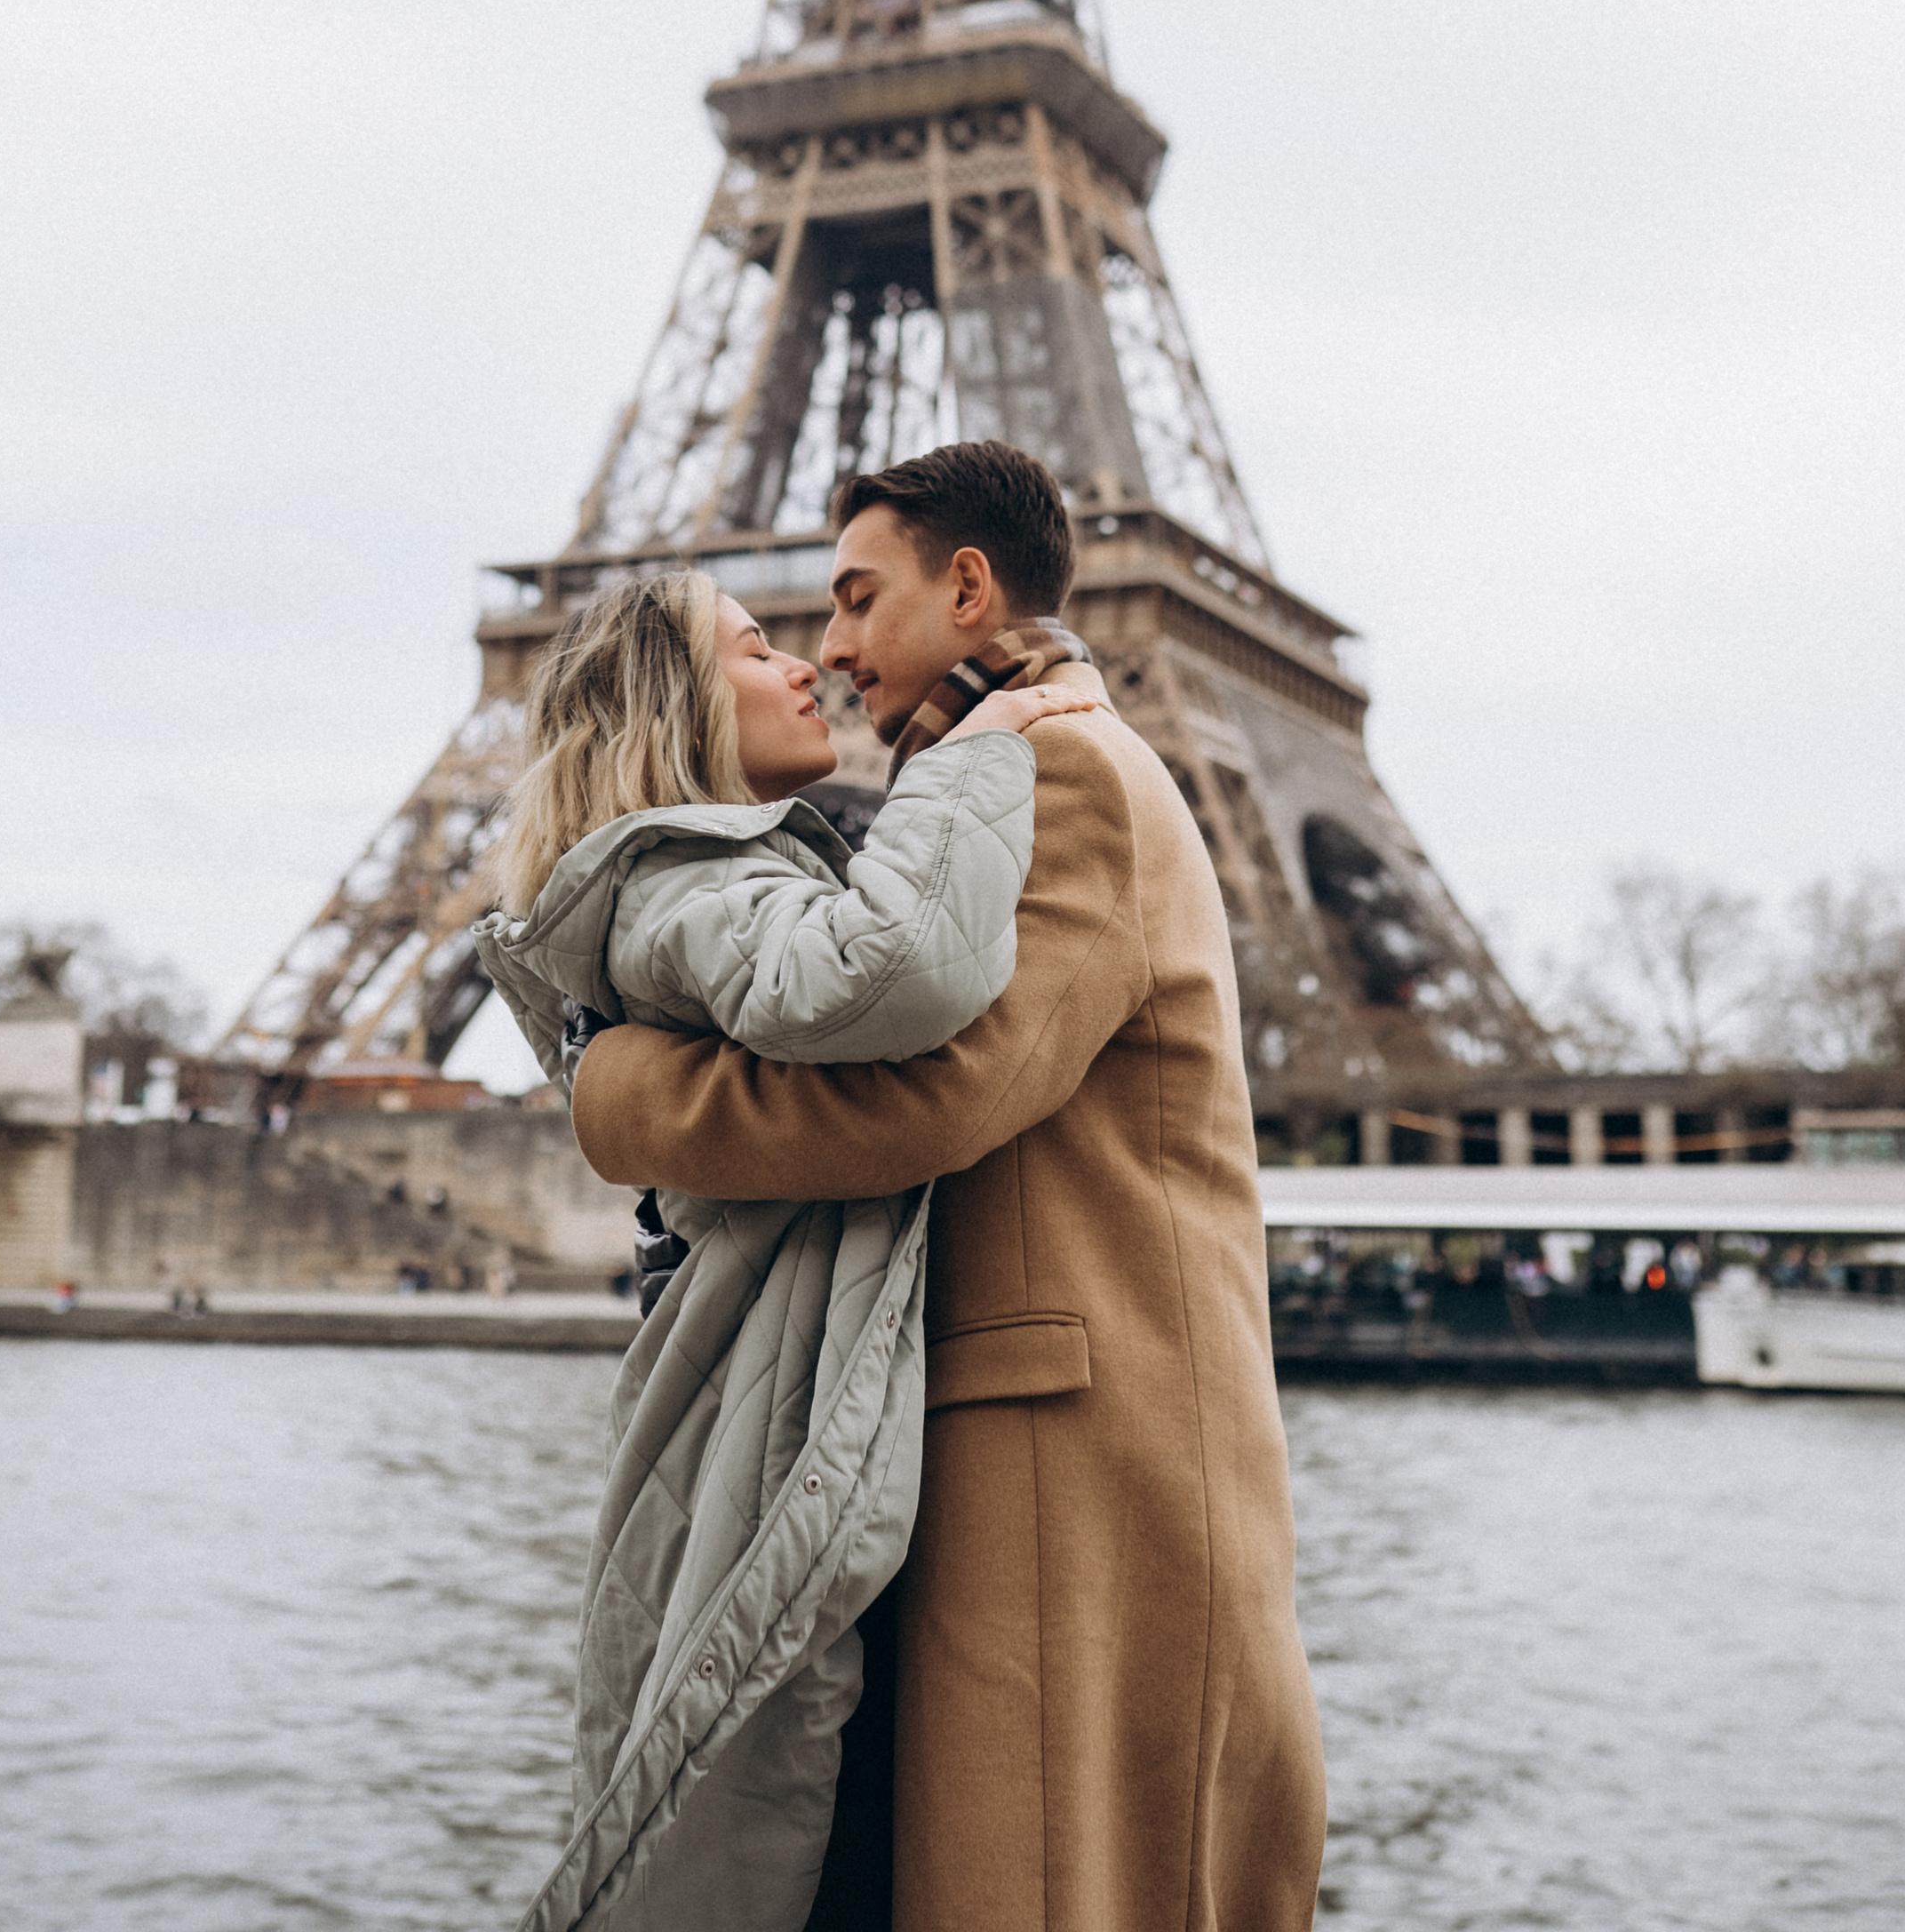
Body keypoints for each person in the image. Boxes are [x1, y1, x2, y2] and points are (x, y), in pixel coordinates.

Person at [570, 441, 1328, 1932]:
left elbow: (934, 1097)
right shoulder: (990, 779)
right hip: (1040, 1430)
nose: (834, 643)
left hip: (1075, 1442)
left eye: (859, 598)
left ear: (969, 588)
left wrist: (618, 1093)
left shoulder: (1057, 767)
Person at [474, 565, 1096, 1932]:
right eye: (759, 649)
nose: (809, 661)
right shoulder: (686, 878)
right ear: (674, 706)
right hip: (768, 1428)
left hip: (767, 1408)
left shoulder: (707, 884)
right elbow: (891, 978)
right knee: (800, 1820)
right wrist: (971, 760)